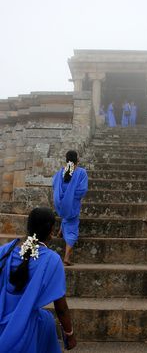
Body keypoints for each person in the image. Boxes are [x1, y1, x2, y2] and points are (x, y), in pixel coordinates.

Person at [0, 207, 76, 352]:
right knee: (46, 322)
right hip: (27, 328)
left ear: (28, 226)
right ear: (51, 231)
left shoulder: (7, 250)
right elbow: (61, 308)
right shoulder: (52, 260)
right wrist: (69, 334)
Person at [53, 150, 88, 266]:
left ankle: (60, 231)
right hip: (72, 205)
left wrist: (65, 197)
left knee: (66, 217)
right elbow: (82, 190)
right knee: (73, 230)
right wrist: (71, 196)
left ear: (66, 160)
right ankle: (67, 257)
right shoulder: (81, 172)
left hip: (60, 204)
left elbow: (54, 185)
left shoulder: (60, 173)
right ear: (77, 160)